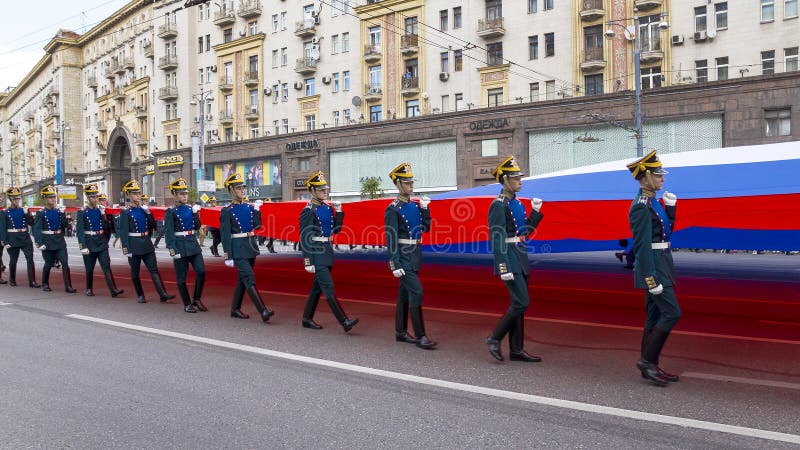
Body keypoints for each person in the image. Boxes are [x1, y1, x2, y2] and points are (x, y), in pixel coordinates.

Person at [627, 150, 681, 386]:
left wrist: (671, 209)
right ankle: (647, 362)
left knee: (654, 317)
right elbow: (642, 246)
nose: (662, 179)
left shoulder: (653, 202)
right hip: (654, 267)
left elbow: (665, 231)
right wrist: (651, 278)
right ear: (646, 177)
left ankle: (650, 365)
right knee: (672, 313)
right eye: (658, 175)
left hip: (662, 263)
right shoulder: (640, 206)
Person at [485, 156, 543, 363]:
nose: (520, 181)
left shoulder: (516, 203)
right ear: (506, 180)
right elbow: (497, 236)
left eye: (520, 177)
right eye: (516, 178)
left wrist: (535, 213)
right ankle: (494, 338)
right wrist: (503, 265)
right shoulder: (498, 205)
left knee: (519, 304)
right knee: (521, 302)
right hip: (509, 257)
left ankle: (516, 349)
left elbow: (524, 231)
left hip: (520, 254)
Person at [299, 171, 359, 332]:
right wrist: (308, 261)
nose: (325, 191)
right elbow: (305, 237)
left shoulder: (327, 208)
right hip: (316, 253)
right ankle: (344, 321)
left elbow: (336, 230)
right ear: (312, 191)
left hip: (327, 251)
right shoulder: (308, 210)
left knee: (317, 289)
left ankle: (306, 318)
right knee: (328, 288)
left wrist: (339, 212)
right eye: (320, 189)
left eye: (325, 189)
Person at [384, 162, 436, 349]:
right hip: (404, 256)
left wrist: (425, 209)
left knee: (404, 294)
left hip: (415, 254)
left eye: (411, 182)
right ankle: (421, 336)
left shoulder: (415, 206)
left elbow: (426, 228)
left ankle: (400, 332)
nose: (411, 185)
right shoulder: (393, 209)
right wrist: (395, 263)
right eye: (407, 182)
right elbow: (391, 238)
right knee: (416, 291)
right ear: (398, 184)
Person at [220, 173, 274, 322]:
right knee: (249, 278)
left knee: (242, 280)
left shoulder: (249, 207)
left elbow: (257, 226)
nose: (242, 190)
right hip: (237, 249)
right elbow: (225, 235)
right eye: (238, 188)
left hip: (250, 246)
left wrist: (257, 210)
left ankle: (235, 309)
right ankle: (263, 311)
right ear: (231, 190)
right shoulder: (227, 210)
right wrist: (228, 255)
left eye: (243, 187)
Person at [118, 180, 175, 304]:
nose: (138, 196)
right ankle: (140, 295)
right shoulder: (125, 212)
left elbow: (153, 226)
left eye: (139, 193)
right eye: (134, 193)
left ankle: (162, 294)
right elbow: (123, 232)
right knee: (135, 271)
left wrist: (148, 213)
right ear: (128, 195)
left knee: (154, 269)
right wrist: (126, 248)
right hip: (134, 244)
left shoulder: (144, 210)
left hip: (146, 243)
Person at [164, 178, 207, 313]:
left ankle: (197, 299)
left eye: (186, 193)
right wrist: (172, 249)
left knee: (201, 271)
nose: (185, 196)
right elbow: (169, 233)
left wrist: (195, 214)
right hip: (179, 246)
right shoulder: (170, 212)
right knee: (181, 277)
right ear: (175, 195)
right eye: (182, 194)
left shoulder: (190, 209)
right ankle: (187, 303)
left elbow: (197, 226)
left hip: (192, 244)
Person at [76, 184, 124, 297]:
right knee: (89, 268)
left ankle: (113, 290)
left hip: (101, 241)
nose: (95, 199)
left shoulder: (100, 211)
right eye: (93, 197)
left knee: (106, 266)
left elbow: (106, 227)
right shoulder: (82, 212)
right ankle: (89, 288)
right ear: (88, 198)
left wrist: (103, 215)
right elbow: (80, 231)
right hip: (89, 242)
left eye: (96, 196)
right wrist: (83, 246)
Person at [32, 185, 76, 293]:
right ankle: (45, 283)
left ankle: (68, 286)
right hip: (47, 241)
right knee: (48, 264)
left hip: (59, 240)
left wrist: (63, 214)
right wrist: (39, 242)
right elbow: (36, 229)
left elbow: (65, 225)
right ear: (45, 199)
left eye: (54, 197)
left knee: (65, 263)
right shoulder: (41, 213)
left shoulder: (58, 211)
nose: (53, 199)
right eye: (50, 197)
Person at [0, 187, 39, 288]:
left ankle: (32, 281)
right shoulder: (4, 212)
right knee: (13, 259)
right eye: (14, 198)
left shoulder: (23, 210)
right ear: (10, 199)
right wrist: (4, 241)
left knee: (30, 258)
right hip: (12, 238)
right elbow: (3, 228)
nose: (16, 200)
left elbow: (32, 223)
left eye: (17, 198)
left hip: (25, 237)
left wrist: (28, 214)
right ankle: (12, 279)